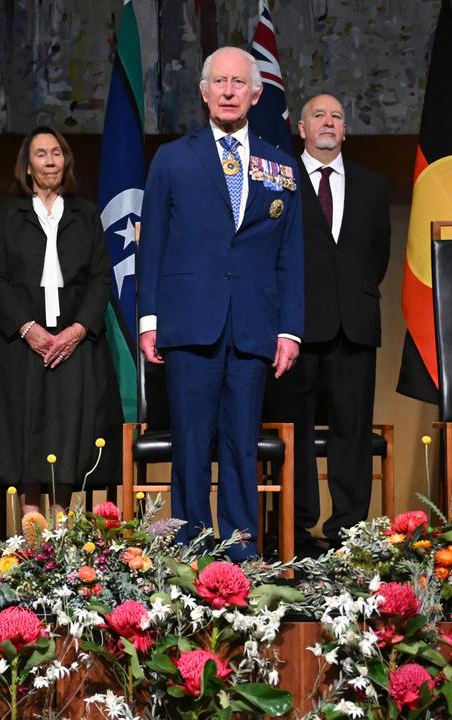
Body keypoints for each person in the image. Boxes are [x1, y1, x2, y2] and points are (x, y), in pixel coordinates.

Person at [137, 46, 304, 562]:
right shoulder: (172, 159)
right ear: (204, 92)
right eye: (219, 82)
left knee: (240, 445)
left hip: (254, 325)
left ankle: (239, 554)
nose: (229, 91)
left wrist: (290, 329)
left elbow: (290, 254)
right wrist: (149, 321)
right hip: (189, 324)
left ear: (256, 93)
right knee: (190, 443)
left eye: (239, 82)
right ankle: (188, 551)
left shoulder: (280, 165)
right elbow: (154, 246)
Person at [0, 127, 123, 518]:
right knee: (25, 432)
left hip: (75, 342)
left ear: (66, 160)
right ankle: (30, 523)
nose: (50, 161)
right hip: (19, 345)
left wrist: (76, 331)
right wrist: (27, 328)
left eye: (57, 153)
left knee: (70, 432)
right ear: (28, 164)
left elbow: (101, 278)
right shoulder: (7, 215)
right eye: (41, 154)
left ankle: (63, 527)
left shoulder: (85, 214)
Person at [264, 94, 390, 554]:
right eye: (319, 115)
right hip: (293, 330)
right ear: (301, 128)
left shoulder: (373, 186)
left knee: (351, 432)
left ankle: (349, 532)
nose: (329, 122)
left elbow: (377, 258)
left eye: (337, 116)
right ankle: (296, 532)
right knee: (293, 432)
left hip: (354, 327)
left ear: (346, 130)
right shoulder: (277, 181)